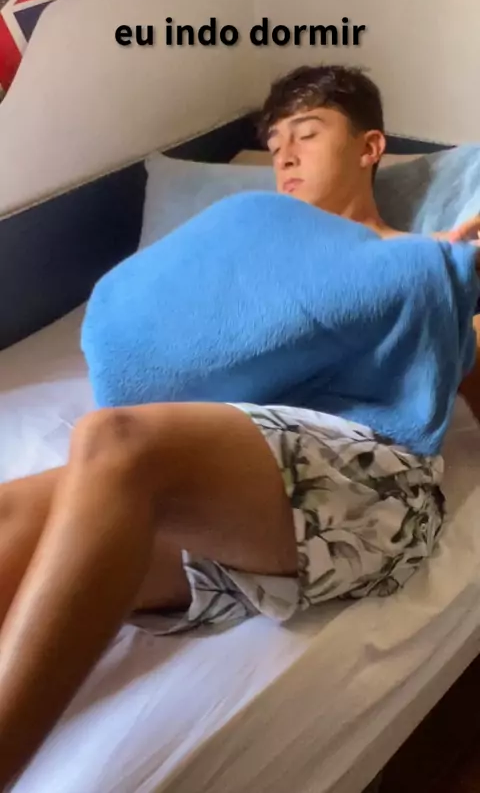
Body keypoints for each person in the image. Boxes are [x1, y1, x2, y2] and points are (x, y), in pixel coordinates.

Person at [0, 64, 479, 788]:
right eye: (275, 143)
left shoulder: (422, 265)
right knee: (18, 512)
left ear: (369, 147)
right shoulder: (242, 259)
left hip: (370, 488)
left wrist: (442, 283)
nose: (285, 155)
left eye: (307, 134)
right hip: (231, 483)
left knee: (115, 443)